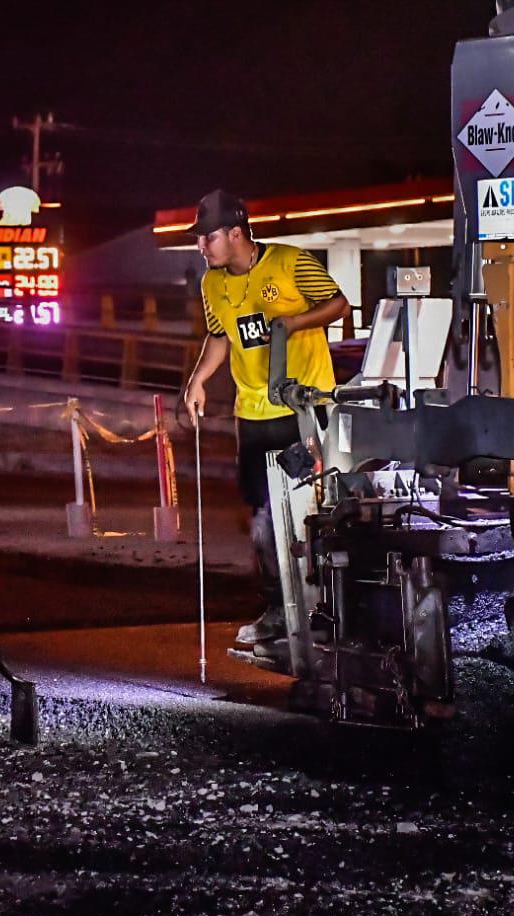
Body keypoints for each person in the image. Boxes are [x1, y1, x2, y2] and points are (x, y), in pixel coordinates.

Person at [180, 190, 349, 658]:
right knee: (261, 515)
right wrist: (198, 381)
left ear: (236, 233)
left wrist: (292, 323)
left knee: (309, 511)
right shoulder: (212, 285)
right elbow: (220, 337)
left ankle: (327, 610)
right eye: (199, 238)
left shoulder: (292, 263)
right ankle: (278, 609)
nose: (202, 246)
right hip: (252, 415)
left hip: (302, 412)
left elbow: (339, 306)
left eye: (208, 236)